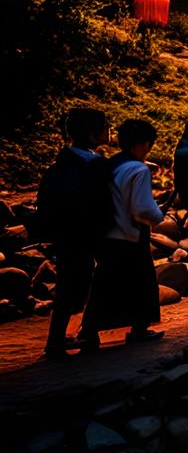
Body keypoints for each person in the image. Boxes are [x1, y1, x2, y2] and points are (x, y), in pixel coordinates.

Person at [33, 108, 110, 357]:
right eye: (105, 126)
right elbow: (104, 202)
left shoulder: (59, 165)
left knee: (68, 283)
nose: (109, 130)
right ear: (93, 134)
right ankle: (73, 336)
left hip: (63, 235)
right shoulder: (95, 165)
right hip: (87, 234)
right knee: (86, 282)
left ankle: (60, 337)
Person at [81, 119, 164, 347]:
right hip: (129, 234)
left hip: (105, 233)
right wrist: (159, 217)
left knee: (105, 283)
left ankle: (89, 331)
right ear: (145, 144)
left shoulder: (110, 164)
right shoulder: (138, 168)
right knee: (143, 282)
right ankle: (139, 329)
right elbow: (142, 207)